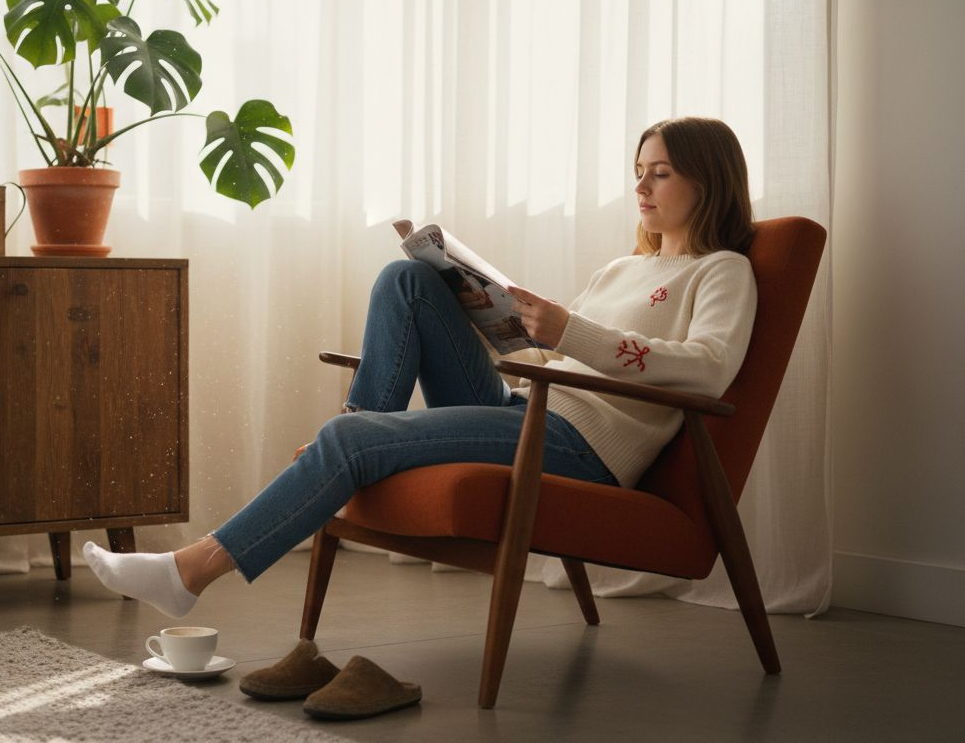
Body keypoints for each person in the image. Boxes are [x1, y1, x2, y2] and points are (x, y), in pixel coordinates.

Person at [83, 116, 759, 620]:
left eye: (659, 172)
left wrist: (569, 330)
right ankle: (362, 430)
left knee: (349, 440)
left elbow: (708, 370)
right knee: (407, 279)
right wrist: (496, 316)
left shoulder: (722, 270)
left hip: (582, 447)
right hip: (530, 409)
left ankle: (190, 571)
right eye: (638, 169)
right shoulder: (622, 268)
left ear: (707, 180)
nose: (640, 185)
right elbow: (555, 361)